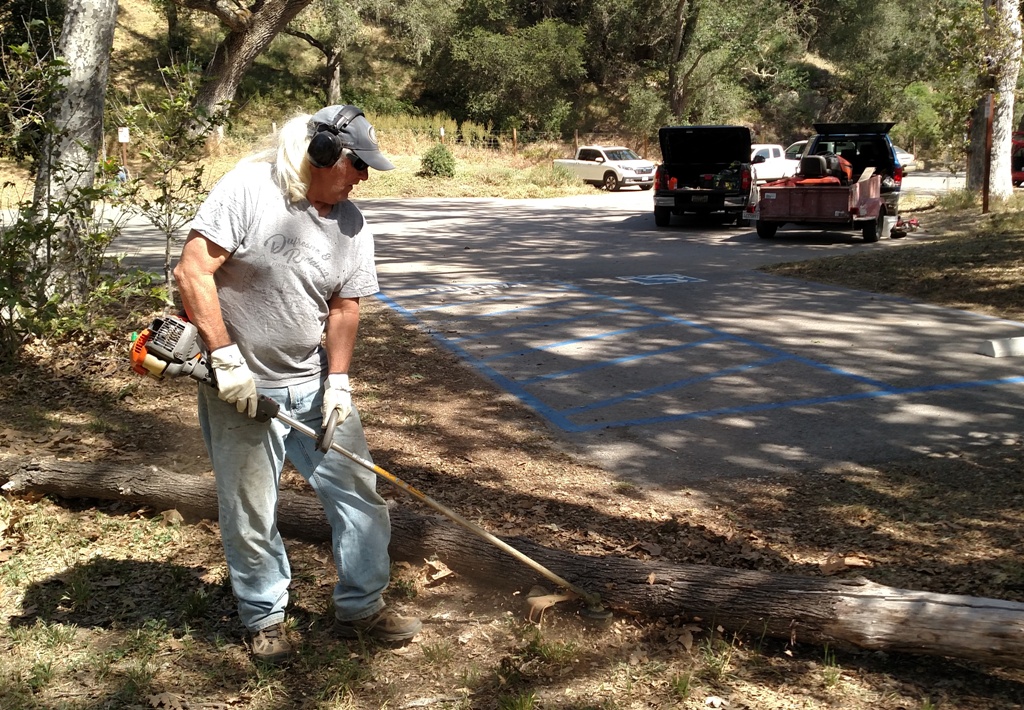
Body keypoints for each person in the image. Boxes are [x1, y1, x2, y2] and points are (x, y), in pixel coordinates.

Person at [172, 104, 422, 665]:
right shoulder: (248, 189)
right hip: (240, 387)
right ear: (323, 153)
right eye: (359, 165)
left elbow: (345, 306)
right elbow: (193, 270)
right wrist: (227, 360)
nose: (363, 178)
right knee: (251, 509)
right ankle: (263, 616)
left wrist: (339, 382)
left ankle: (361, 605)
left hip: (313, 388)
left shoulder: (351, 223)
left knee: (360, 496)